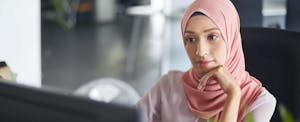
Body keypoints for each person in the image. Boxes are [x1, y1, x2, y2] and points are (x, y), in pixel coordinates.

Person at [137, 0, 276, 122]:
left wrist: (233, 94)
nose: (200, 51)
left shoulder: (259, 101)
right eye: (191, 39)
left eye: (212, 37)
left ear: (231, 38)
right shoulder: (167, 86)